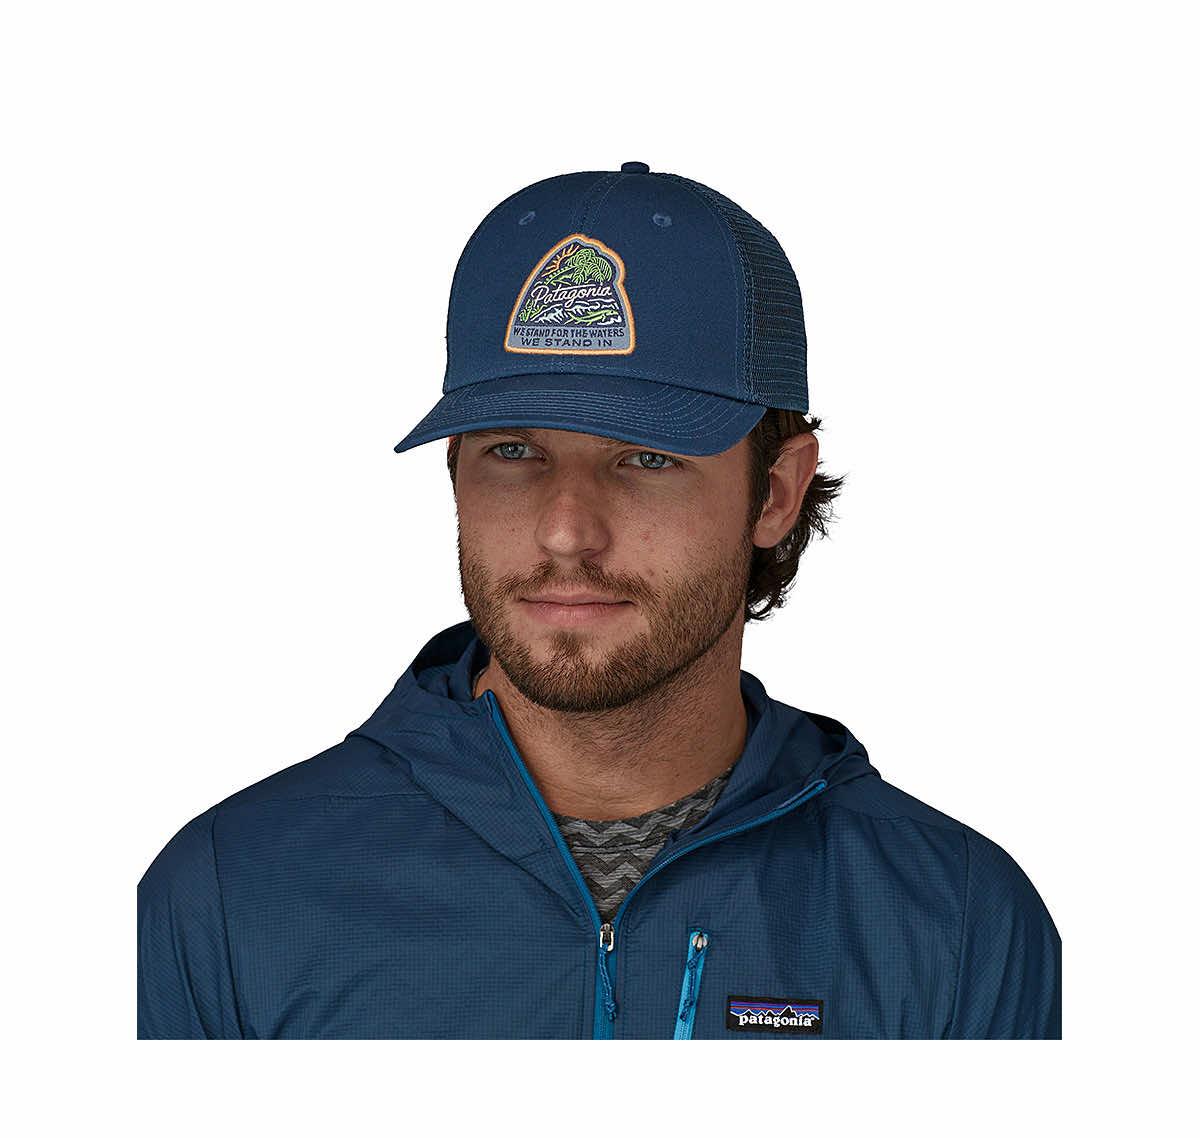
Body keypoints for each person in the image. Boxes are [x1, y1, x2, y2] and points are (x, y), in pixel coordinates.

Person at [138, 162, 1061, 1039]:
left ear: (775, 493)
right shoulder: (229, 897)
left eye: (646, 458)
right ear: (454, 471)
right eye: (513, 452)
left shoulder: (955, 922)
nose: (565, 531)